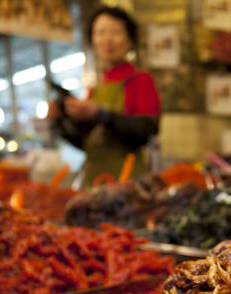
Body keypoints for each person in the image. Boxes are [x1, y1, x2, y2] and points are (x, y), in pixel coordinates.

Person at [48, 6, 160, 186]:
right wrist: (58, 121)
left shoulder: (141, 80)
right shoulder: (96, 88)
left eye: (115, 32)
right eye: (100, 32)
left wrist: (100, 114)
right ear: (92, 40)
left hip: (128, 181)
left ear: (130, 39)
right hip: (93, 180)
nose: (107, 39)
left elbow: (147, 130)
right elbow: (88, 143)